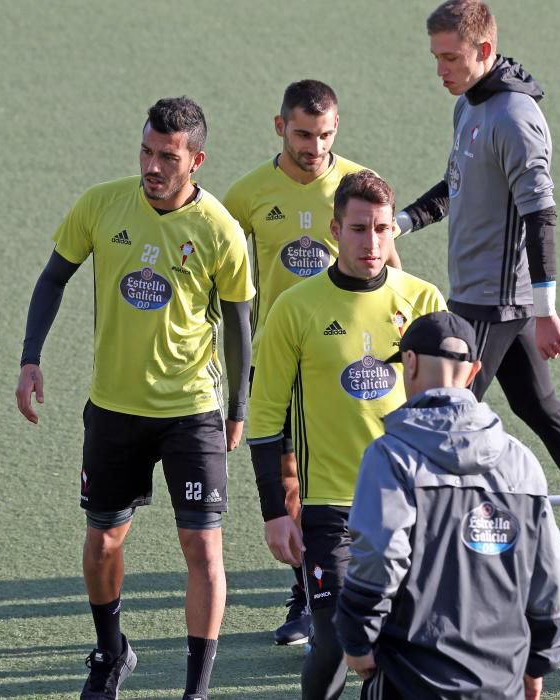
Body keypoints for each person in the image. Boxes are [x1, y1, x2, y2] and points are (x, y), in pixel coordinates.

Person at [15, 97, 255, 700]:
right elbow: (53, 276)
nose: (153, 166)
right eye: (147, 152)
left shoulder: (219, 230)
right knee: (102, 541)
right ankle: (110, 651)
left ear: (195, 160)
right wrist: (30, 358)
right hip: (115, 407)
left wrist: (238, 409)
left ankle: (196, 689)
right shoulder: (102, 204)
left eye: (167, 157)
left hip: (192, 409)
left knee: (201, 545)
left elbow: (238, 322)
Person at [394, 0, 560, 578]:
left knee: (440, 420)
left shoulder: (515, 117)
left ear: (483, 50)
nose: (441, 70)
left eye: (451, 57)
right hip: (486, 295)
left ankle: (438, 555)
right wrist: (400, 222)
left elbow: (541, 212)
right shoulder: (469, 106)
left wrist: (546, 309)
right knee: (538, 405)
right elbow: (458, 183)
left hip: (494, 301)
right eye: (435, 58)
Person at [248, 170, 445, 699]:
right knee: (337, 637)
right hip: (329, 507)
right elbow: (266, 418)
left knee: (404, 638)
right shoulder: (294, 308)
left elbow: (451, 411)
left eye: (382, 228)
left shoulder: (424, 301)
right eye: (359, 229)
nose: (372, 241)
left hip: (410, 502)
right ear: (335, 231)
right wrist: (274, 511)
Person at [224, 79, 402, 646]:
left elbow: (389, 267)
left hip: (347, 350)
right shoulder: (248, 193)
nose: (314, 146)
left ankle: (336, 585)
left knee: (343, 468)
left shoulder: (353, 184)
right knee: (290, 474)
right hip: (281, 352)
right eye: (303, 134)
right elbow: (218, 268)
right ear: (280, 127)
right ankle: (307, 592)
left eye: (325, 134)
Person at [335, 310, 560, 700]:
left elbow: (381, 555)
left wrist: (358, 639)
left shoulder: (391, 456)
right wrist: (538, 660)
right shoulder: (521, 462)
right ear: (474, 370)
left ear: (409, 363)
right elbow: (550, 573)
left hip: (410, 678)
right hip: (501, 679)